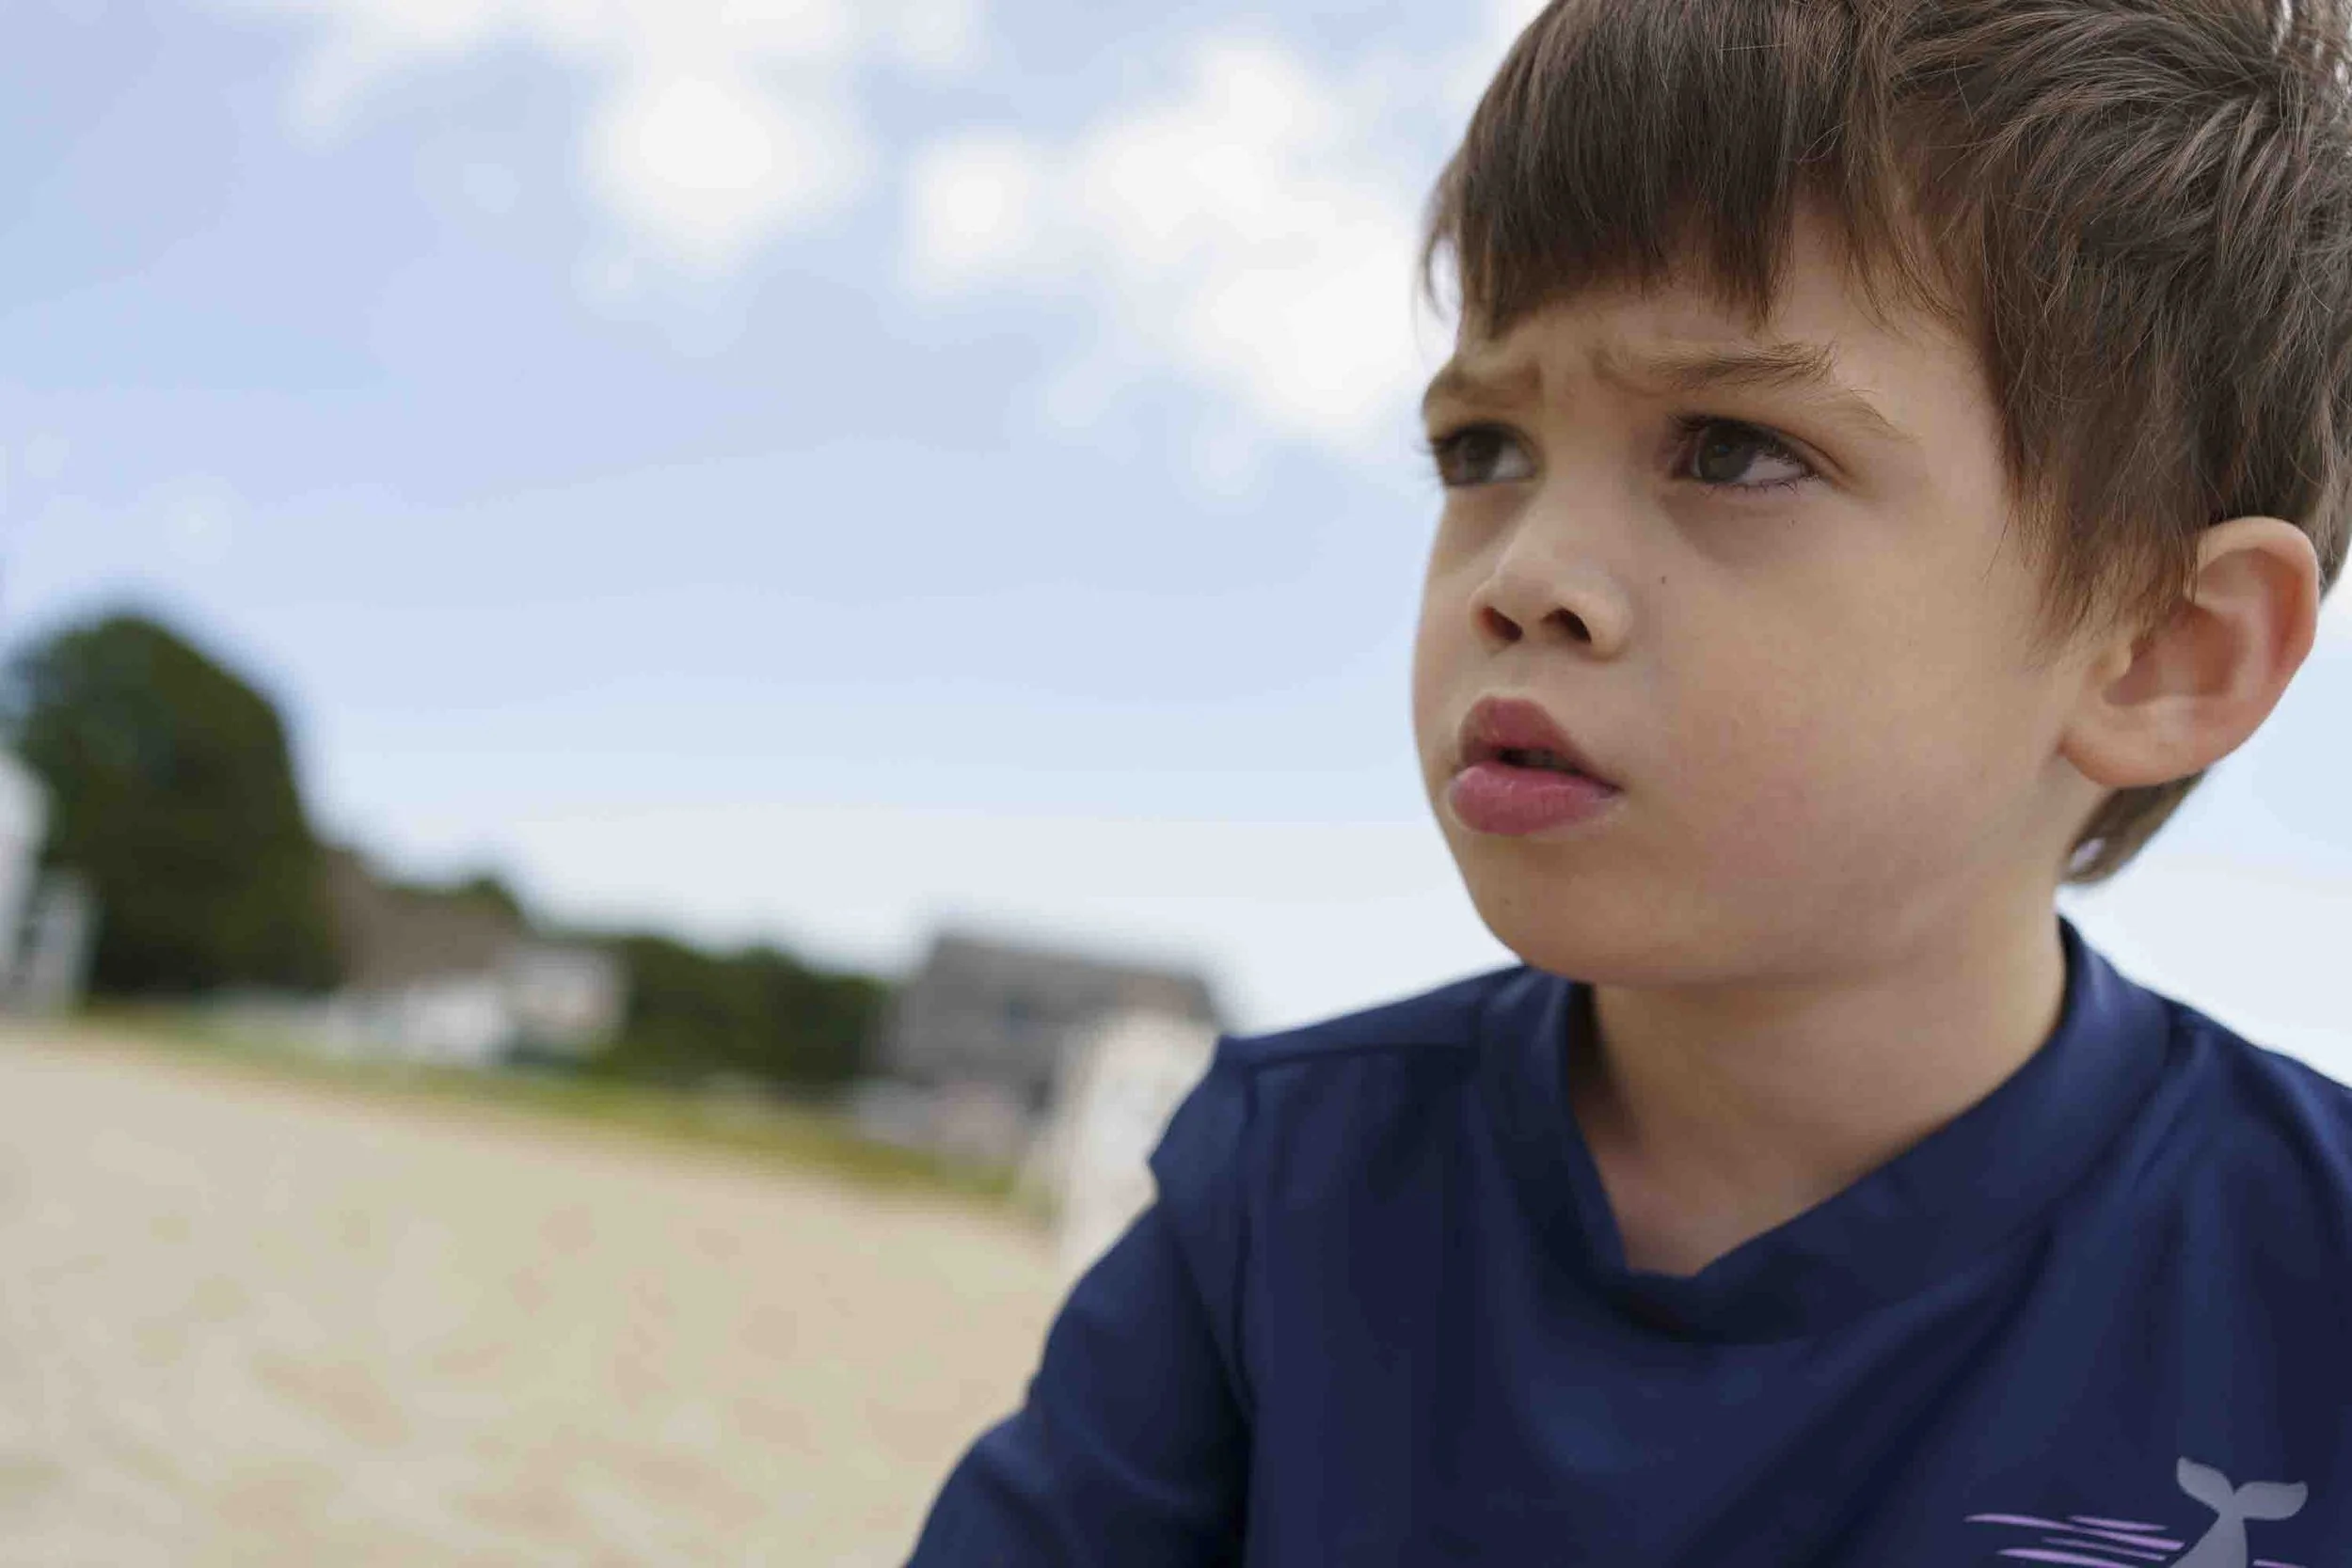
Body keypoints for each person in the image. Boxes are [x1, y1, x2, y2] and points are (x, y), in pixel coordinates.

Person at [905, 0, 2352, 1561]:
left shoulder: (2309, 1278)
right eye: (1482, 451)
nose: (1524, 576)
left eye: (1730, 449)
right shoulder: (1289, 1180)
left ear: (2163, 651)